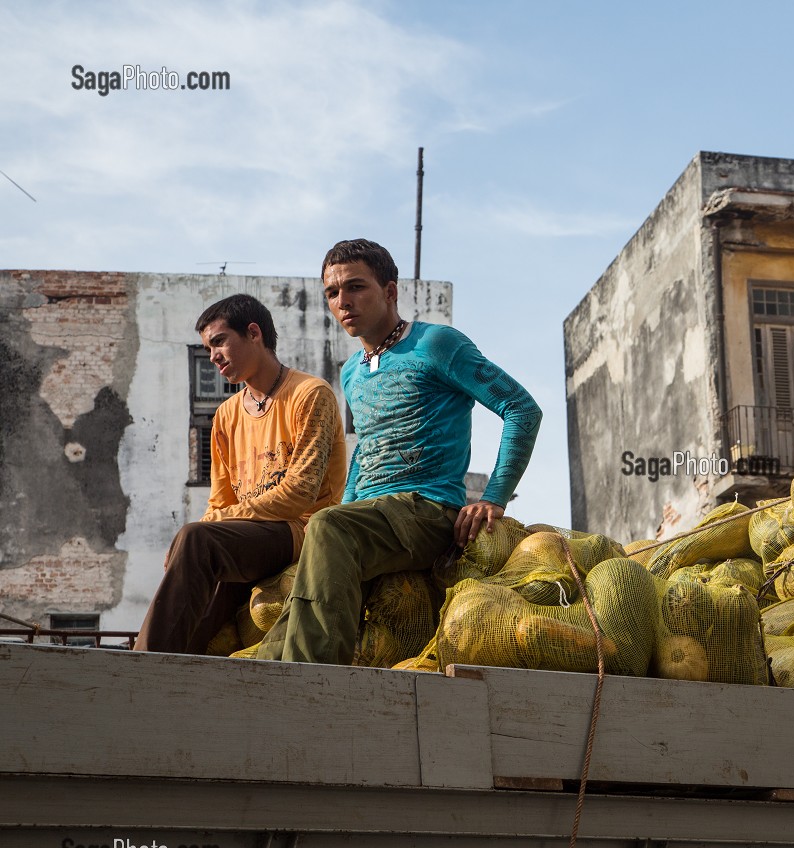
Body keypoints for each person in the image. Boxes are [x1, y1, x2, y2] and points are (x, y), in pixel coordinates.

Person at [256, 238, 542, 664]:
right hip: (371, 519)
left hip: (426, 509)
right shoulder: (351, 372)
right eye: (332, 293)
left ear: (390, 291)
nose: (343, 302)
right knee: (290, 615)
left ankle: (310, 683)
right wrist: (342, 508)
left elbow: (521, 408)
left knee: (330, 528)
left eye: (356, 287)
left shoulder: (438, 344)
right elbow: (367, 450)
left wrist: (494, 497)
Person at [135, 294, 347, 654]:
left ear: (253, 333)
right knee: (198, 573)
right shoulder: (227, 415)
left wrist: (205, 531)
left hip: (301, 530)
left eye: (219, 341)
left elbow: (300, 493)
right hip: (252, 538)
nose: (212, 355)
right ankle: (167, 678)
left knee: (199, 541)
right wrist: (202, 532)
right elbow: (220, 501)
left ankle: (137, 666)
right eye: (207, 347)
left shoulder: (310, 394)